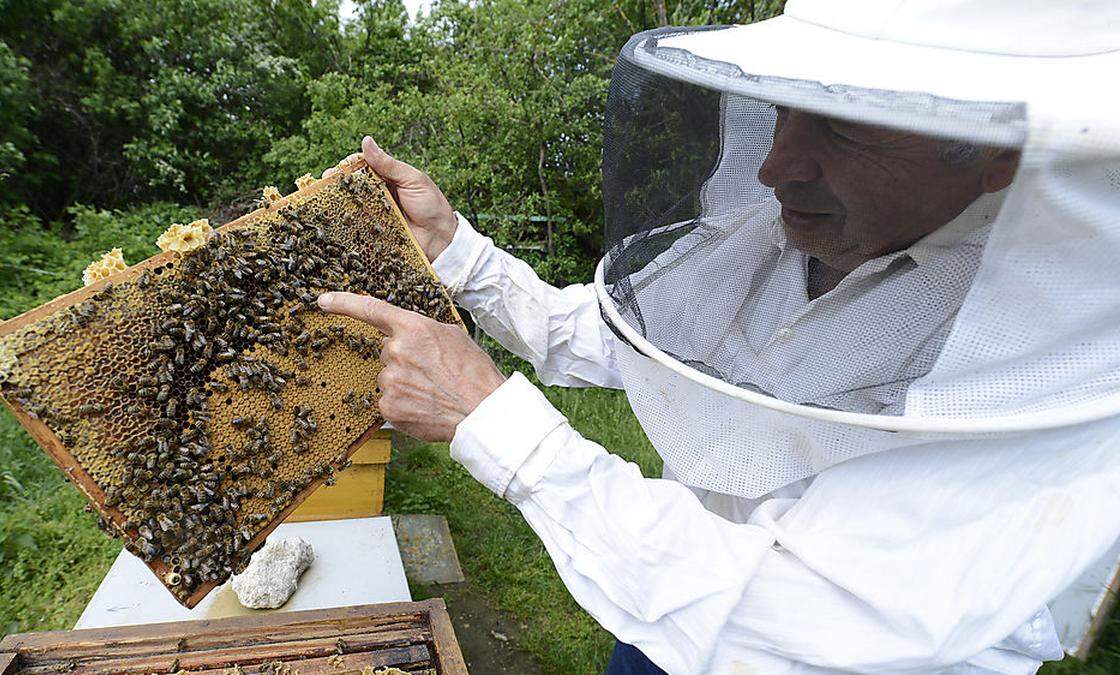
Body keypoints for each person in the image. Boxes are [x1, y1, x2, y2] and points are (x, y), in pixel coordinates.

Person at [318, 1, 1120, 671]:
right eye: (785, 110)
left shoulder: (1037, 363)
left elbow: (800, 617)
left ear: (995, 155)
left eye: (844, 128)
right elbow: (623, 342)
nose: (777, 166)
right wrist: (458, 252)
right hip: (655, 609)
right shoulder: (772, 235)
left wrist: (489, 417)